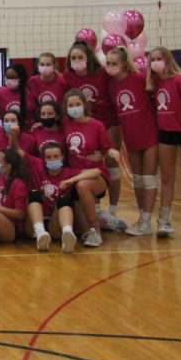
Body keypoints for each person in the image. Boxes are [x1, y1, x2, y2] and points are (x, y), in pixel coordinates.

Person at [65, 41, 125, 231]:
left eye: (80, 57)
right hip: (83, 125)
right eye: (73, 58)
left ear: (88, 58)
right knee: (88, 162)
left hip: (107, 122)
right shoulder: (68, 76)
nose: (77, 61)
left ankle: (113, 211)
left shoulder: (102, 73)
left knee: (112, 167)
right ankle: (97, 210)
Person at [146, 46, 181, 240]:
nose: (155, 62)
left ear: (167, 59)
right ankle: (164, 222)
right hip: (166, 135)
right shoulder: (153, 83)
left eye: (158, 58)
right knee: (167, 179)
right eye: (152, 59)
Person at [105, 46, 159, 236]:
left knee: (148, 178)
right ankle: (141, 218)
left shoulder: (139, 79)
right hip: (130, 137)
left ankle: (147, 221)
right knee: (137, 179)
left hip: (149, 134)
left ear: (124, 64)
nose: (110, 67)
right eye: (108, 63)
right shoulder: (111, 86)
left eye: (114, 64)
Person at [60, 88, 117, 248]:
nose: (74, 107)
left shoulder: (97, 125)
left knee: (82, 185)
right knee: (80, 229)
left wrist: (108, 152)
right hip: (75, 173)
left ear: (84, 105)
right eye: (71, 105)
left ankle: (96, 228)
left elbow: (106, 147)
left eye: (77, 104)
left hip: (95, 175)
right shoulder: (65, 125)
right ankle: (105, 222)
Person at [0, 63, 30, 129]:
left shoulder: (29, 92)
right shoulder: (0, 93)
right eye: (7, 77)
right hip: (7, 131)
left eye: (13, 77)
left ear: (21, 77)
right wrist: (1, 117)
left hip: (27, 131)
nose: (9, 80)